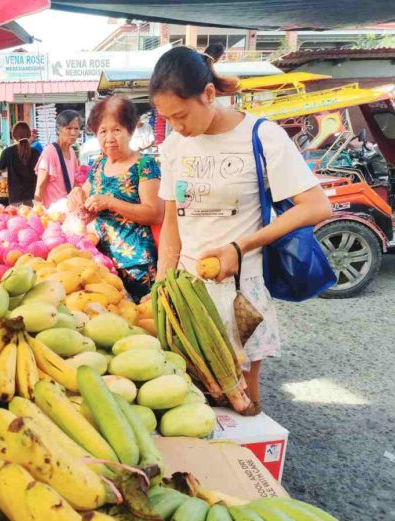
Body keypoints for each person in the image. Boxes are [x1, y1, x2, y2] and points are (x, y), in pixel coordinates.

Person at [151, 46, 332, 412]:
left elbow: (317, 206)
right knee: (190, 404)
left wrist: (240, 246)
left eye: (182, 115)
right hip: (187, 295)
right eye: (168, 119)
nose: (177, 127)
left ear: (209, 94)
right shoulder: (173, 148)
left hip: (240, 293)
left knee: (243, 404)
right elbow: (172, 220)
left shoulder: (261, 137)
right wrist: (162, 282)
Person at [68, 96, 163, 302]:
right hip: (102, 265)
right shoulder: (98, 166)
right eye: (103, 131)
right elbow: (85, 208)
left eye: (116, 130)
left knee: (141, 321)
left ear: (130, 130)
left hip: (137, 266)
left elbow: (155, 213)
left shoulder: (144, 166)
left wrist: (110, 202)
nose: (109, 137)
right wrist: (76, 198)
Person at [35, 110, 81, 208]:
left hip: (67, 211)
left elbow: (73, 182)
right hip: (52, 215)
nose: (73, 133)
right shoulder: (50, 152)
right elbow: (40, 188)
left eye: (76, 128)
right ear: (58, 130)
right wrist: (38, 212)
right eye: (68, 128)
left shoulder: (72, 152)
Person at [0, 122, 40, 206]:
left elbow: (0, 168)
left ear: (13, 136)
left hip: (15, 196)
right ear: (29, 135)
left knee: (17, 219)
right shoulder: (36, 152)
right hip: (33, 196)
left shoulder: (7, 152)